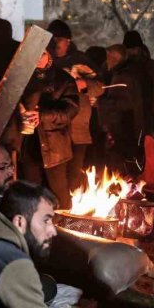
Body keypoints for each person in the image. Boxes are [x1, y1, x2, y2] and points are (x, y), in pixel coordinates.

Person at [48, 20, 104, 192]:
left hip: (78, 130)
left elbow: (101, 86)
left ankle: (72, 215)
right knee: (54, 180)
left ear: (68, 41)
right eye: (53, 38)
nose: (56, 42)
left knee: (73, 176)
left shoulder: (80, 60)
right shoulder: (45, 62)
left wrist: (83, 83)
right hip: (52, 131)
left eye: (61, 39)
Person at [19, 50, 80, 209]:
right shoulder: (21, 76)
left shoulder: (63, 79)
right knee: (31, 197)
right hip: (28, 146)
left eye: (43, 53)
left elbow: (70, 110)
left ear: (50, 56)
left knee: (59, 197)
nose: (38, 57)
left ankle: (64, 231)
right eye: (36, 52)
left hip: (55, 148)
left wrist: (43, 115)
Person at [98, 42, 148, 173]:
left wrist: (98, 102)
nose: (106, 61)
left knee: (120, 168)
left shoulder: (122, 76)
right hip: (128, 130)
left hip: (123, 131)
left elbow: (121, 104)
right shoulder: (126, 73)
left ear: (114, 58)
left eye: (108, 57)